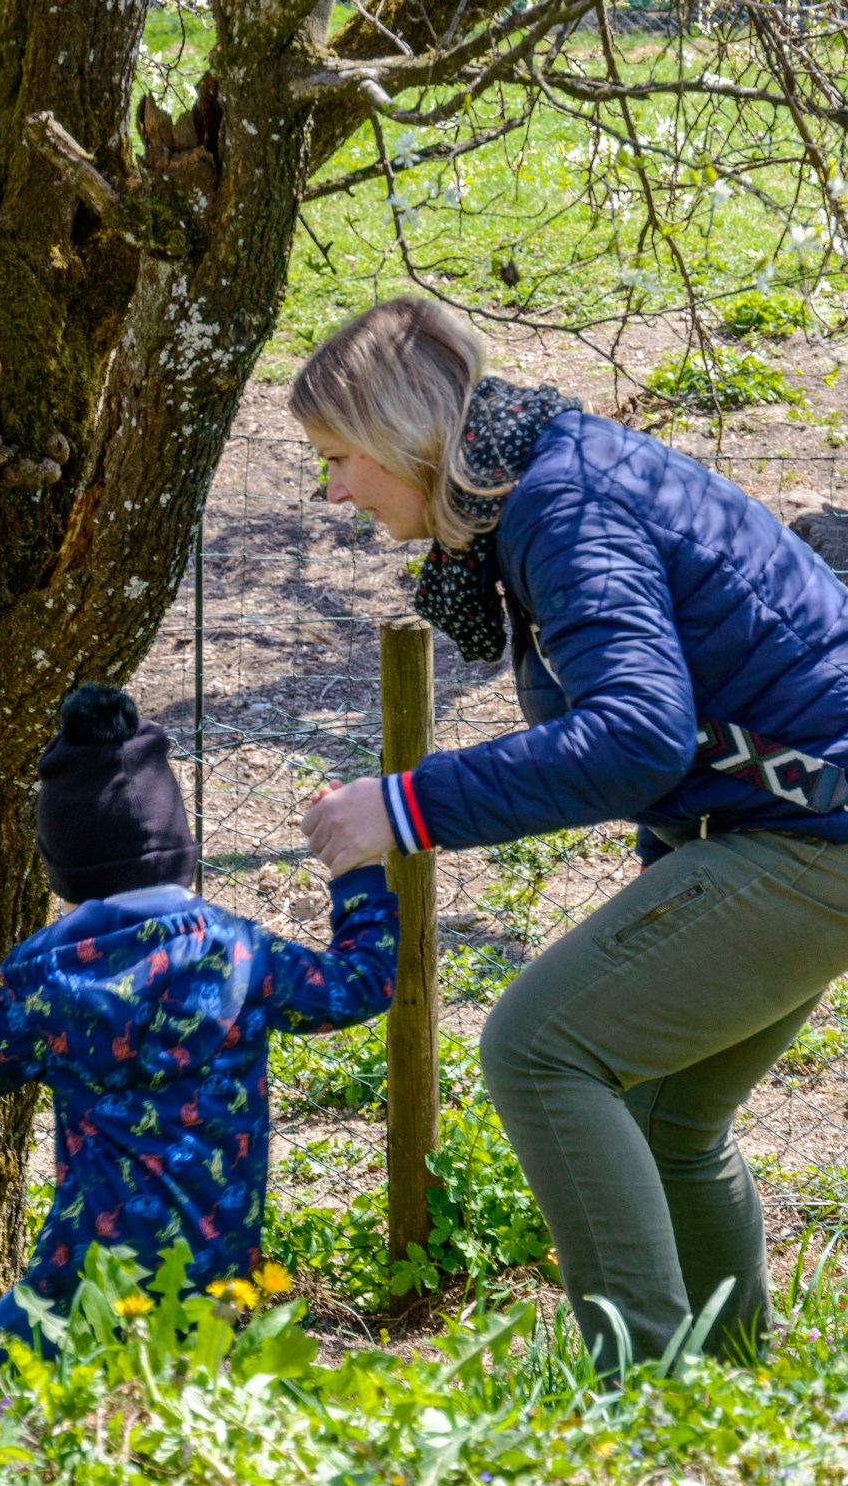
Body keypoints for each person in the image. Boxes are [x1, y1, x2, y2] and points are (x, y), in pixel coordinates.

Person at [295, 294, 848, 1372]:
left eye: (334, 458)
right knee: (660, 1115)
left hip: (813, 836)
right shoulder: (553, 479)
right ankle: (732, 1395)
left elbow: (634, 735)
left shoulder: (564, 504)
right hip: (802, 826)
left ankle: (638, 1395)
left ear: (400, 433)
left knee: (540, 1047)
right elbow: (693, 733)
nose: (330, 492)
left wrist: (402, 805)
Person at [0, 682, 399, 1354]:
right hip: (218, 1268)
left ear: (63, 864)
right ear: (177, 840)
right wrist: (357, 874)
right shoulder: (242, 956)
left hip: (88, 1272)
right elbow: (358, 986)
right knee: (172, 1397)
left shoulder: (47, 989)